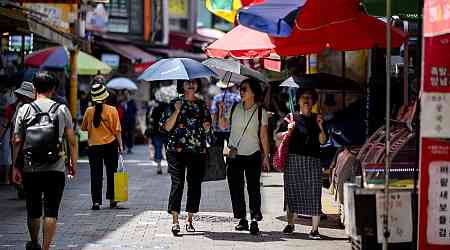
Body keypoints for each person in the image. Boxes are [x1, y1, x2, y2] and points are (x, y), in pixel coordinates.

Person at [11, 71, 77, 250]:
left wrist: (15, 167)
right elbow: (71, 140)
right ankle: (46, 248)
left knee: (33, 209)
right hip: (55, 167)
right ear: (53, 89)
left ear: (34, 88)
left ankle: (34, 242)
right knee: (51, 210)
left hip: (30, 168)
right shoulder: (62, 109)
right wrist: (73, 163)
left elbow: (17, 140)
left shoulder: (24, 109)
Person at [218, 78, 270, 235]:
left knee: (254, 188)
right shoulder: (234, 107)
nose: (241, 91)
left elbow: (264, 137)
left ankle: (254, 218)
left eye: (244, 89)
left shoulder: (261, 111)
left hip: (253, 153)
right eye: (240, 89)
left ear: (253, 92)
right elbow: (223, 125)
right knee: (236, 189)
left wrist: (266, 156)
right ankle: (242, 219)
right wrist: (221, 112)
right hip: (234, 155)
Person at [160, 79, 211, 236]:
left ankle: (189, 219)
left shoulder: (202, 105)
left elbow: (207, 129)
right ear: (182, 85)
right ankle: (175, 221)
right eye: (187, 82)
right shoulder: (174, 103)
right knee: (178, 183)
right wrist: (176, 111)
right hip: (176, 150)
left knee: (194, 184)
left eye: (194, 82)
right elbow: (166, 127)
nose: (191, 85)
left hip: (197, 151)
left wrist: (207, 127)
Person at [276, 88, 327, 239]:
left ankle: (315, 230)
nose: (306, 100)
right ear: (298, 101)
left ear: (313, 102)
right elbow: (277, 136)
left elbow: (323, 141)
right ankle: (291, 224)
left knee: (314, 194)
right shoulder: (291, 118)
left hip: (313, 161)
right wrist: (287, 132)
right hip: (293, 160)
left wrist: (321, 126)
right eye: (304, 97)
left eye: (310, 98)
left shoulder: (317, 119)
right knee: (292, 192)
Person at [81, 83, 123, 210]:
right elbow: (117, 131)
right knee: (112, 172)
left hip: (94, 147)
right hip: (110, 145)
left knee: (96, 174)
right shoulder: (112, 110)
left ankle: (96, 202)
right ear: (105, 97)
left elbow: (84, 128)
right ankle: (112, 199)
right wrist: (121, 145)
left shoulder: (89, 111)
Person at [0, 82, 35, 187]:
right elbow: (5, 125)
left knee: (21, 164)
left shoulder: (12, 108)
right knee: (19, 164)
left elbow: (4, 126)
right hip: (20, 141)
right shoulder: (12, 108)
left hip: (24, 141)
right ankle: (22, 185)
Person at [210, 80, 241, 152]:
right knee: (232, 150)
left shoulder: (217, 98)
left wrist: (212, 126)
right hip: (232, 128)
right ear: (231, 87)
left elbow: (214, 113)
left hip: (218, 129)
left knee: (218, 151)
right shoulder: (236, 97)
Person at [146, 100, 167, 174]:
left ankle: (159, 166)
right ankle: (170, 167)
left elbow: (151, 119)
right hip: (167, 131)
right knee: (168, 149)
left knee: (158, 148)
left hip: (157, 131)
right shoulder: (169, 107)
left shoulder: (155, 107)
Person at [122, 90, 137, 154]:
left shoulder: (132, 102)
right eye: (124, 94)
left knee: (130, 134)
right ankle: (123, 147)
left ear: (129, 94)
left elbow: (135, 110)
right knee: (123, 134)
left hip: (131, 121)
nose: (126, 95)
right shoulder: (121, 102)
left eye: (127, 93)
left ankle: (129, 148)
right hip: (123, 121)